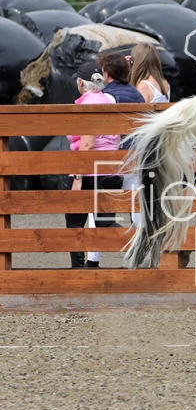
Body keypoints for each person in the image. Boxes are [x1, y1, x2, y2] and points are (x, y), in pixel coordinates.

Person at [66, 61, 123, 268]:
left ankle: (78, 270)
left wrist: (77, 177)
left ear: (81, 83)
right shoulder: (109, 101)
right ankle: (140, 239)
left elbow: (88, 144)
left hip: (91, 172)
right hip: (111, 171)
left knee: (74, 222)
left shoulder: (86, 105)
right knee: (105, 223)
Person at [97, 53, 144, 251]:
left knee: (98, 210)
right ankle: (142, 249)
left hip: (116, 157)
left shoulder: (106, 97)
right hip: (137, 155)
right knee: (137, 207)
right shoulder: (137, 94)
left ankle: (92, 260)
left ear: (107, 74)